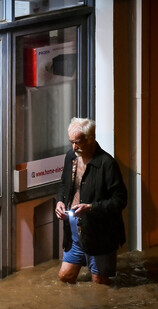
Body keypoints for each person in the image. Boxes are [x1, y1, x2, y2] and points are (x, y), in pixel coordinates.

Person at [55, 117, 127, 285]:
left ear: (91, 137)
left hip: (100, 235)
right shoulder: (70, 157)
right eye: (71, 142)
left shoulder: (107, 164)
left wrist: (91, 208)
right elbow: (63, 185)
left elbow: (120, 200)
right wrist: (60, 202)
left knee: (99, 284)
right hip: (74, 231)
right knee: (65, 277)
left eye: (78, 142)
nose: (74, 147)